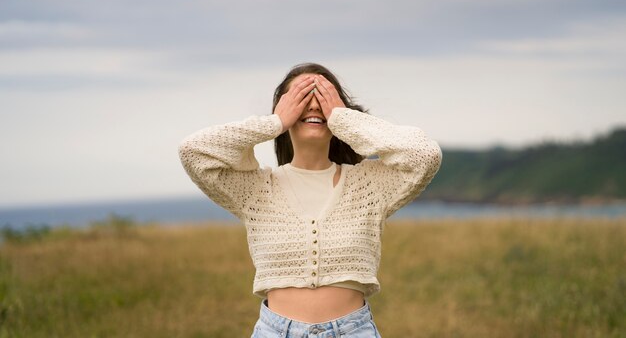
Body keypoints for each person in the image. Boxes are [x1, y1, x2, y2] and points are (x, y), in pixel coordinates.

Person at [178, 63, 442, 337]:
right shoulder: (255, 189)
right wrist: (274, 122)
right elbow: (193, 151)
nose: (314, 106)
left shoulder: (370, 187)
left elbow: (424, 155)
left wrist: (345, 119)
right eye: (303, 97)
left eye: (323, 97)